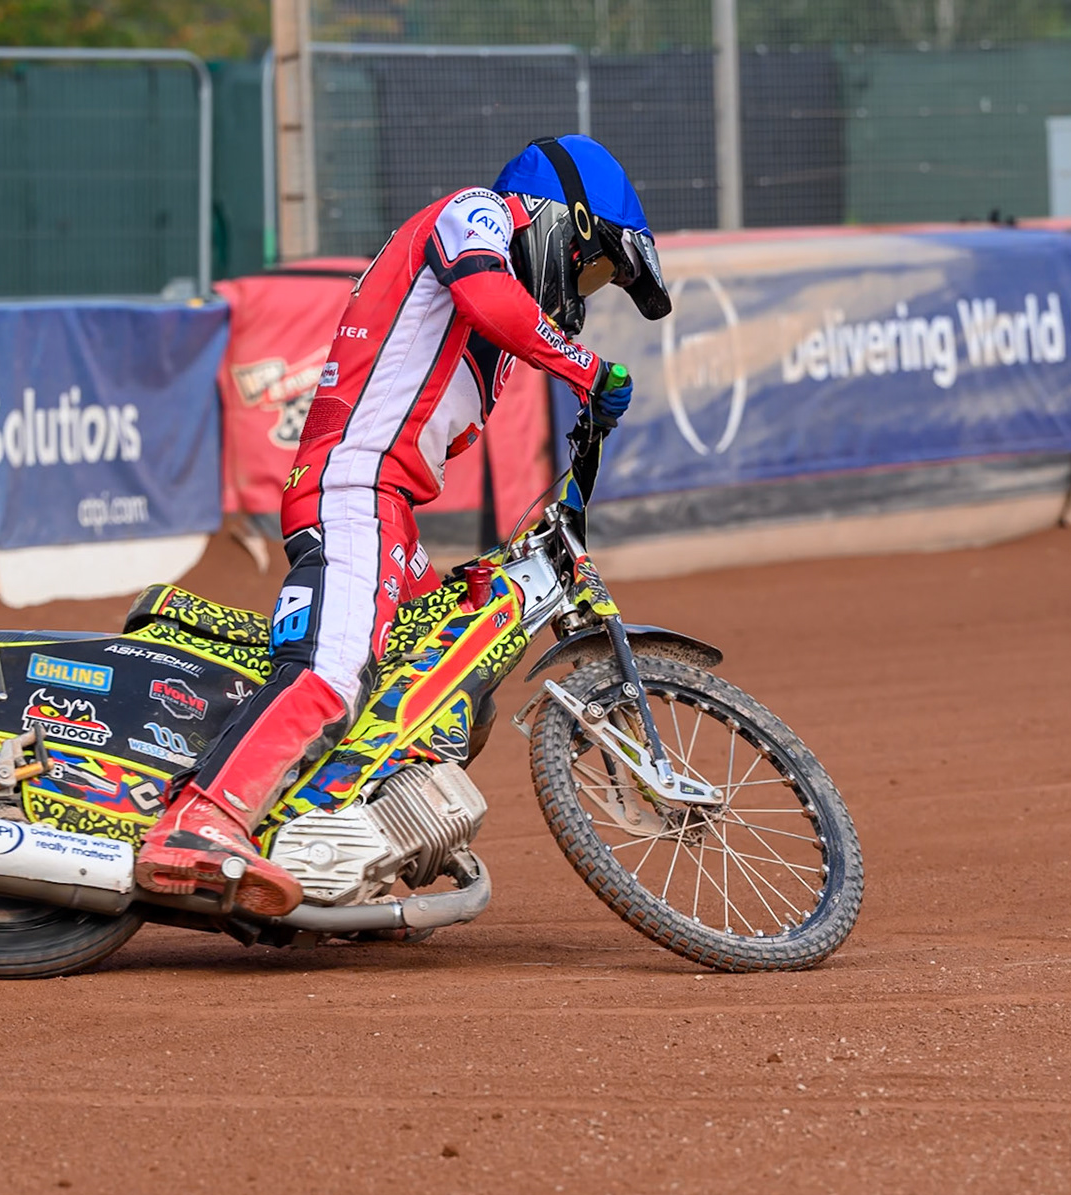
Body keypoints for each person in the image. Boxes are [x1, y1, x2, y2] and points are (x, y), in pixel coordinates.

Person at [134, 134, 674, 917]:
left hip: (388, 508)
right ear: (570, 222)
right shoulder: (476, 214)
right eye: (596, 267)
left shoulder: (495, 332)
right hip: (353, 485)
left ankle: (345, 844)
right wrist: (588, 372)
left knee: (454, 675)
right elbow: (492, 295)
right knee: (332, 669)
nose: (585, 295)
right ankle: (201, 823)